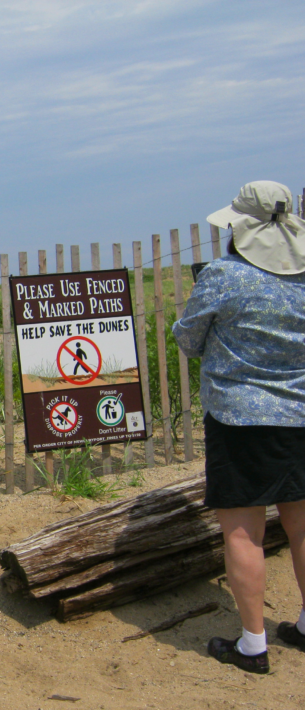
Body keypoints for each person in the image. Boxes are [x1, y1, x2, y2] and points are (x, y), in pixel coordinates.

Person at [172, 180, 305, 674]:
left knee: (243, 531)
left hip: (240, 418)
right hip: (303, 413)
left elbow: (189, 339)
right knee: (302, 522)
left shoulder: (224, 276)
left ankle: (253, 645)